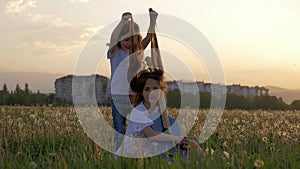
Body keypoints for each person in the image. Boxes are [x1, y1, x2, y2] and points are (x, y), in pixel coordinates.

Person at [116, 70, 202, 160]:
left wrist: (187, 141)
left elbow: (169, 131)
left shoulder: (159, 111)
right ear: (141, 92)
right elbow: (152, 135)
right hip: (129, 154)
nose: (151, 92)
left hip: (146, 151)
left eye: (155, 88)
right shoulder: (138, 112)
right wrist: (177, 139)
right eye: (147, 89)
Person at [107, 9, 158, 151]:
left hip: (134, 97)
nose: (128, 43)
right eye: (126, 39)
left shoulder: (137, 53)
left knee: (139, 127)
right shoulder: (114, 52)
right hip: (117, 97)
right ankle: (119, 155)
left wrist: (153, 21)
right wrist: (123, 21)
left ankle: (139, 152)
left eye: (132, 40)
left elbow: (149, 37)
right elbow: (113, 37)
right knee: (119, 129)